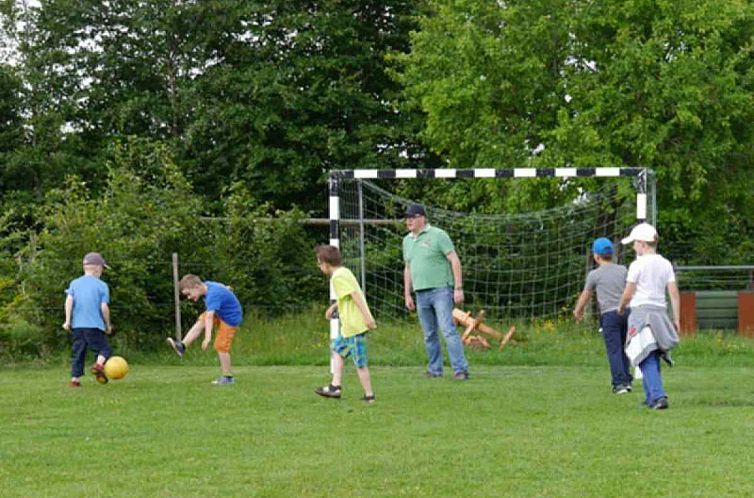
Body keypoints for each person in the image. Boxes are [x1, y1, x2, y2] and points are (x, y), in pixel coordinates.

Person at [403, 203, 469, 380]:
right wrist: (407, 293)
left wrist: (458, 287)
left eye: (412, 217)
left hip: (441, 290)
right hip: (420, 293)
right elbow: (408, 268)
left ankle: (460, 369)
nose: (408, 221)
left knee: (448, 330)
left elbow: (454, 259)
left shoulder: (438, 235)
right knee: (429, 334)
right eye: (407, 218)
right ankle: (434, 369)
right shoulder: (407, 241)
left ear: (422, 218)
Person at [617, 223, 680, 410]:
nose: (633, 247)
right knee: (651, 351)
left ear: (643, 244)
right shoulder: (665, 263)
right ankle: (650, 395)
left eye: (634, 243)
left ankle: (659, 396)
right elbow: (674, 292)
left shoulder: (637, 265)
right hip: (660, 312)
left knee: (644, 354)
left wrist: (621, 306)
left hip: (641, 313)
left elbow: (629, 292)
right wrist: (676, 319)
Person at [314, 245, 376, 403]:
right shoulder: (344, 271)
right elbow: (347, 295)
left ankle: (369, 396)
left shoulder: (338, 277)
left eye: (319, 263)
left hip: (354, 326)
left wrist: (368, 317)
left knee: (359, 362)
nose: (319, 266)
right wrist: (333, 307)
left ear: (326, 263)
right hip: (348, 327)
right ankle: (335, 387)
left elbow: (355, 295)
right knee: (337, 349)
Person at [573, 238, 632, 394]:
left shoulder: (594, 274)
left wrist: (577, 310)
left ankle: (619, 383)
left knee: (614, 349)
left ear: (596, 256)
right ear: (611, 254)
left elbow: (586, 294)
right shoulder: (623, 270)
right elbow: (630, 289)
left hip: (609, 315)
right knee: (625, 347)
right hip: (627, 312)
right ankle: (626, 380)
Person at [167, 275, 243, 385]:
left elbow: (210, 317)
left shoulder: (212, 295)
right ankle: (182, 346)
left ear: (197, 286)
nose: (189, 297)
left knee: (221, 346)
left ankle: (228, 377)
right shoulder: (207, 285)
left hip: (230, 318)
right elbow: (220, 286)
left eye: (189, 294)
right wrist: (227, 288)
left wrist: (207, 337)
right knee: (201, 320)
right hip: (221, 313)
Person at [63, 252, 113, 387]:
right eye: (102, 268)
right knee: (104, 349)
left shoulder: (74, 283)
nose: (102, 271)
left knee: (78, 352)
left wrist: (67, 321)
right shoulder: (102, 285)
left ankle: (75, 379)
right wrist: (108, 324)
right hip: (94, 325)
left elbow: (69, 301)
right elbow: (103, 307)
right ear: (97, 268)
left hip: (77, 326)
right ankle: (98, 365)